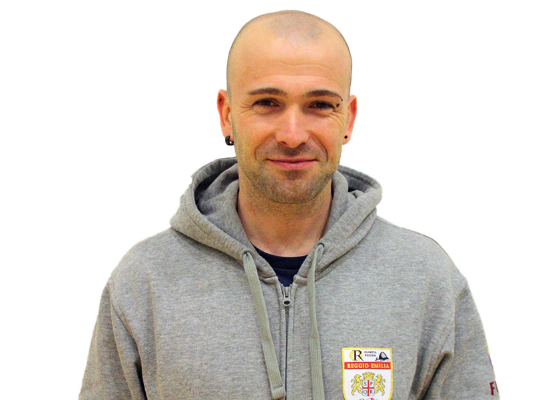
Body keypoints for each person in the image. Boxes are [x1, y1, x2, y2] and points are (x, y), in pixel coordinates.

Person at [79, 10, 499, 400]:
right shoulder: (146, 283)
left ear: (349, 119)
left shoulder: (424, 279)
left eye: (320, 105)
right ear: (226, 114)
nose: (293, 134)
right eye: (267, 103)